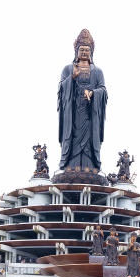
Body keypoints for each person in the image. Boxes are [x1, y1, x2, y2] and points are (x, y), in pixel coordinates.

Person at [58, 29, 107, 172]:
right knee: (72, 137)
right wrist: (72, 78)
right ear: (76, 52)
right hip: (73, 112)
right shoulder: (68, 69)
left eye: (87, 50)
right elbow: (61, 89)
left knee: (90, 139)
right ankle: (71, 167)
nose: (84, 52)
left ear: (91, 52)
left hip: (89, 112)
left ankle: (90, 167)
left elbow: (103, 90)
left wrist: (93, 93)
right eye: (82, 50)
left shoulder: (97, 72)